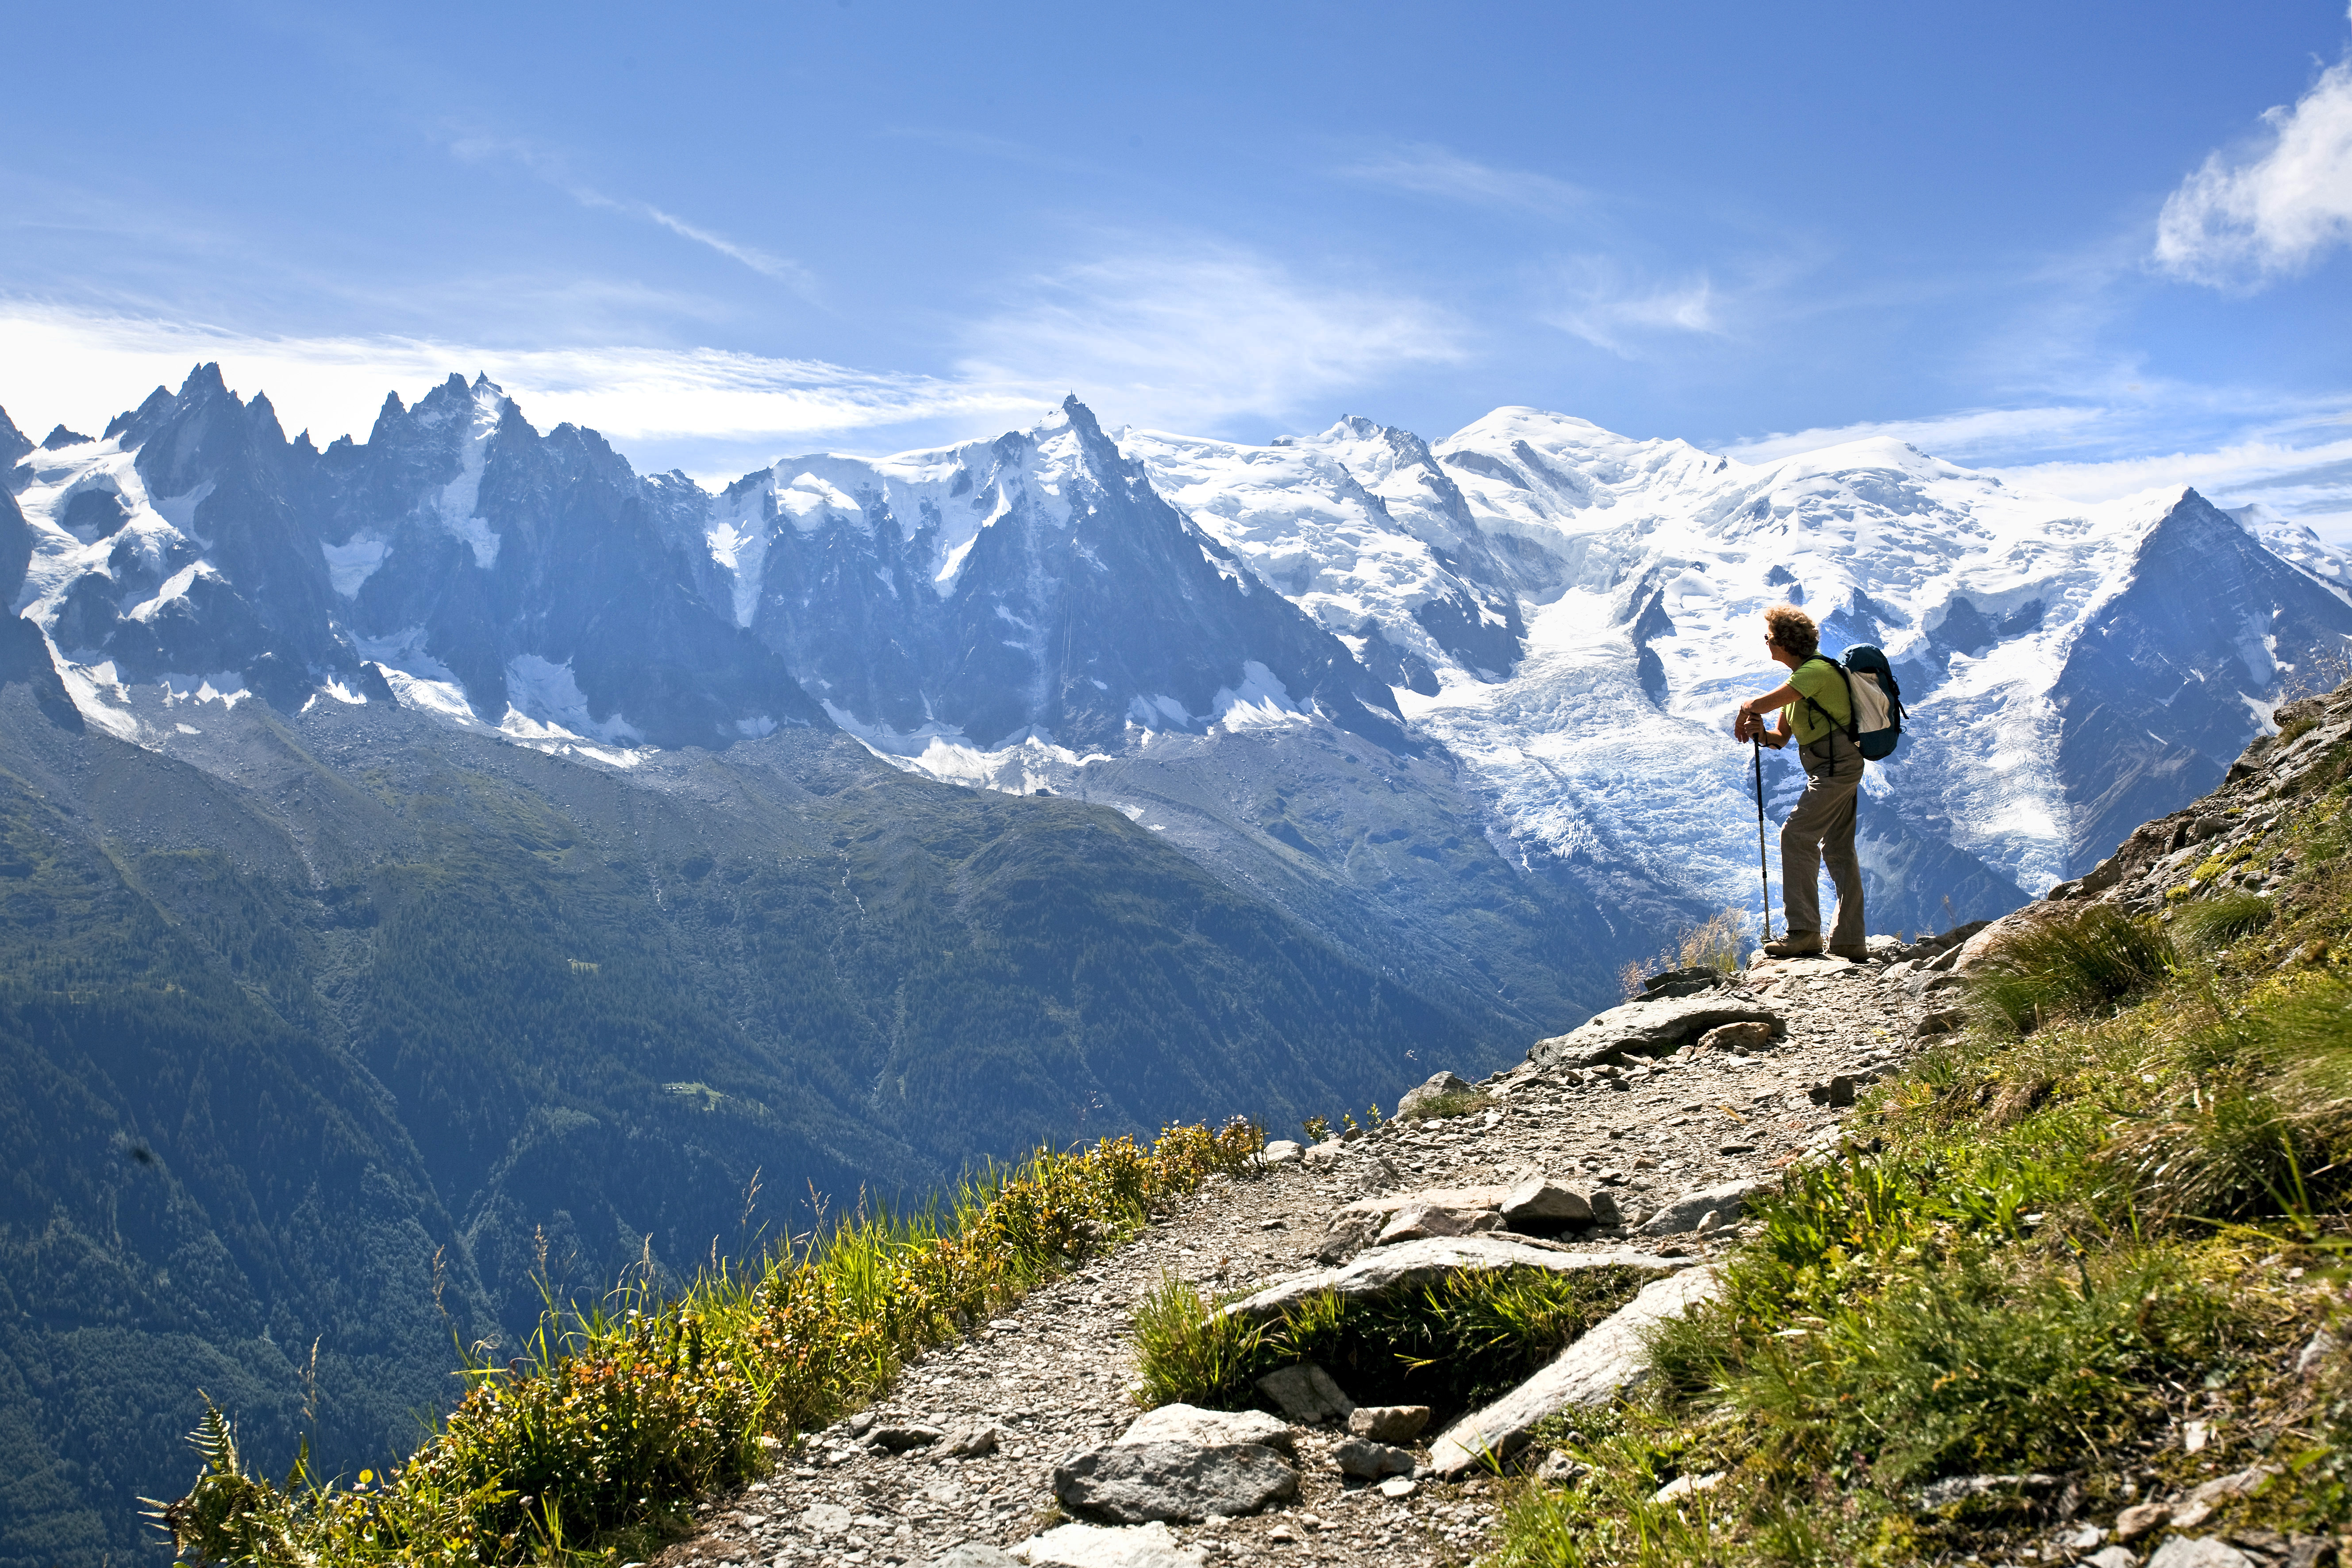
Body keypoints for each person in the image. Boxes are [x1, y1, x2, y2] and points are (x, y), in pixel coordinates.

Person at [1732, 604, 1867, 959]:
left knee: (1795, 835)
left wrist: (1747, 707)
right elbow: (1780, 737)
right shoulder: (1800, 680)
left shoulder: (1814, 672)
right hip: (1833, 766)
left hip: (1836, 768)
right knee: (1838, 849)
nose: (1766, 644)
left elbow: (1759, 702)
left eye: (1769, 638)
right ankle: (1849, 940)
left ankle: (1804, 931)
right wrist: (1760, 733)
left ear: (1785, 642)